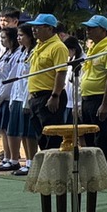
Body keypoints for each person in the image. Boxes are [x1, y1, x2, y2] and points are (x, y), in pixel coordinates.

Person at [22, 13, 71, 154]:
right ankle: (48, 166)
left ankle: (55, 169)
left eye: (38, 27)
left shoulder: (58, 47)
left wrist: (55, 95)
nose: (34, 30)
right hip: (36, 97)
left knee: (52, 136)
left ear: (50, 29)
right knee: (41, 136)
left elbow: (60, 73)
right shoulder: (38, 46)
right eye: (34, 27)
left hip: (49, 95)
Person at [0, 22, 29, 172]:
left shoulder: (19, 53)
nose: (2, 40)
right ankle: (7, 157)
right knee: (4, 130)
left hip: (6, 96)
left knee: (11, 129)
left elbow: (11, 79)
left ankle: (14, 158)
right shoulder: (5, 53)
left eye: (5, 37)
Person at [75, 15, 107, 156]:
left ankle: (104, 171)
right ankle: (92, 173)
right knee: (89, 138)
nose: (88, 30)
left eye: (92, 28)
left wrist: (105, 103)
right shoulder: (93, 47)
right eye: (87, 27)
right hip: (87, 99)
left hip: (99, 99)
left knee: (102, 138)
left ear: (103, 30)